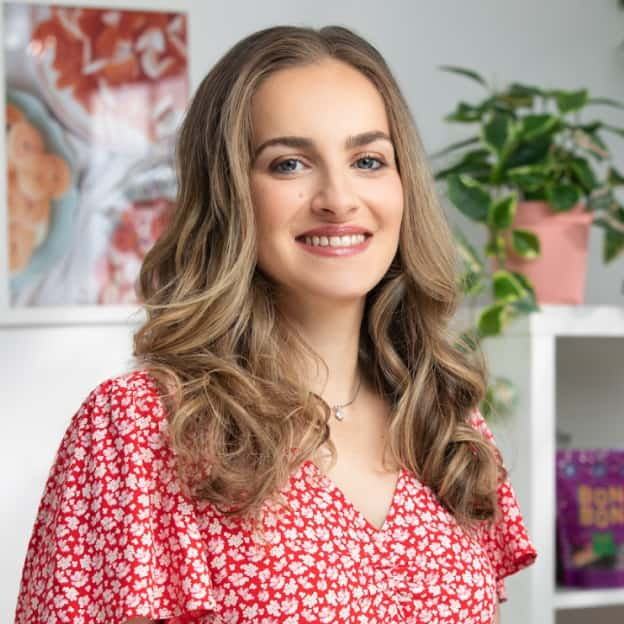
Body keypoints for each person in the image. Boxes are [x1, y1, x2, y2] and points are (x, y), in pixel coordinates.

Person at [14, 25, 537, 624]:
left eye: (368, 160)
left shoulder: (447, 423)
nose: (338, 198)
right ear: (228, 195)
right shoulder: (139, 431)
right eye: (289, 164)